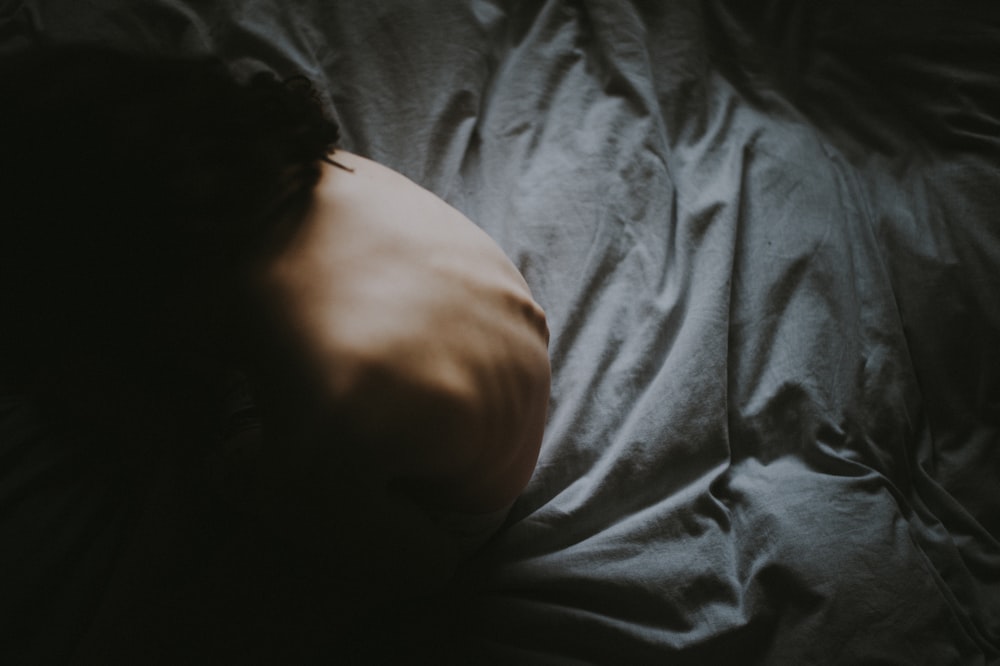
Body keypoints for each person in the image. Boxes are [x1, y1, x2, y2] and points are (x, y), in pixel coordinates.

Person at [0, 45, 550, 662]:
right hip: (482, 373)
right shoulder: (307, 164)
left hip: (439, 510)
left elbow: (425, 568)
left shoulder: (322, 403)